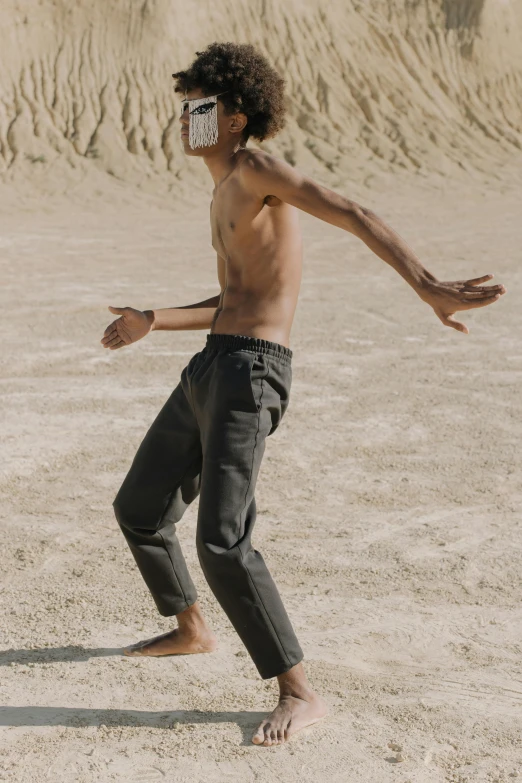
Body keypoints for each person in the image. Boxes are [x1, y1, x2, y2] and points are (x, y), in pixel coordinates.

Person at [100, 42, 506, 747]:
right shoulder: (222, 187)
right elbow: (232, 296)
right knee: (139, 506)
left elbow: (350, 211)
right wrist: (153, 319)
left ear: (234, 118)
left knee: (223, 540)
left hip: (251, 370)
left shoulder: (257, 169)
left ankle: (300, 690)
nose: (185, 118)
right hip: (212, 364)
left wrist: (427, 283)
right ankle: (192, 626)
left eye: (199, 106)